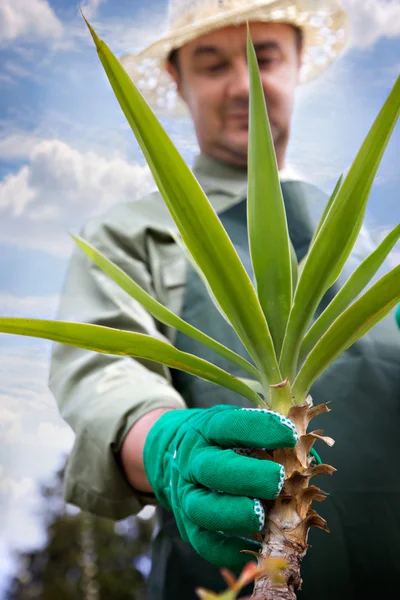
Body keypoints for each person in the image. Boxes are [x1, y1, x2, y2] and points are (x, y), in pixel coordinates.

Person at [49, 1, 400, 599]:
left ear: (296, 67)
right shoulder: (135, 234)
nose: (243, 88)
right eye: (212, 65)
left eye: (264, 58)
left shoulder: (365, 246)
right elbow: (104, 376)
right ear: (180, 85)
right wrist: (166, 444)